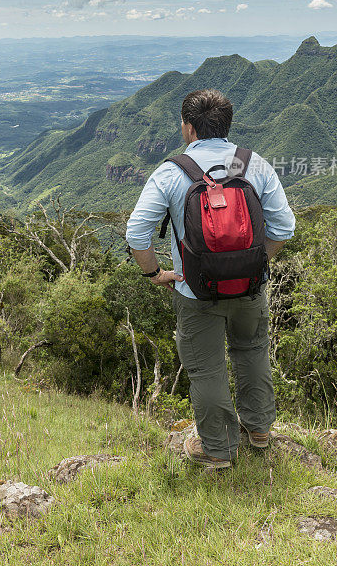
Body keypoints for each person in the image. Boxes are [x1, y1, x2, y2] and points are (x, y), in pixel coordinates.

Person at [126, 88, 295, 470]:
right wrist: (255, 264)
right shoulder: (257, 165)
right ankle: (260, 431)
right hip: (250, 289)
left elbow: (137, 234)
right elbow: (284, 228)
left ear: (188, 128)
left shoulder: (172, 171)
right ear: (228, 126)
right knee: (251, 351)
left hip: (194, 290)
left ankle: (218, 449)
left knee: (206, 368)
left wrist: (155, 273)